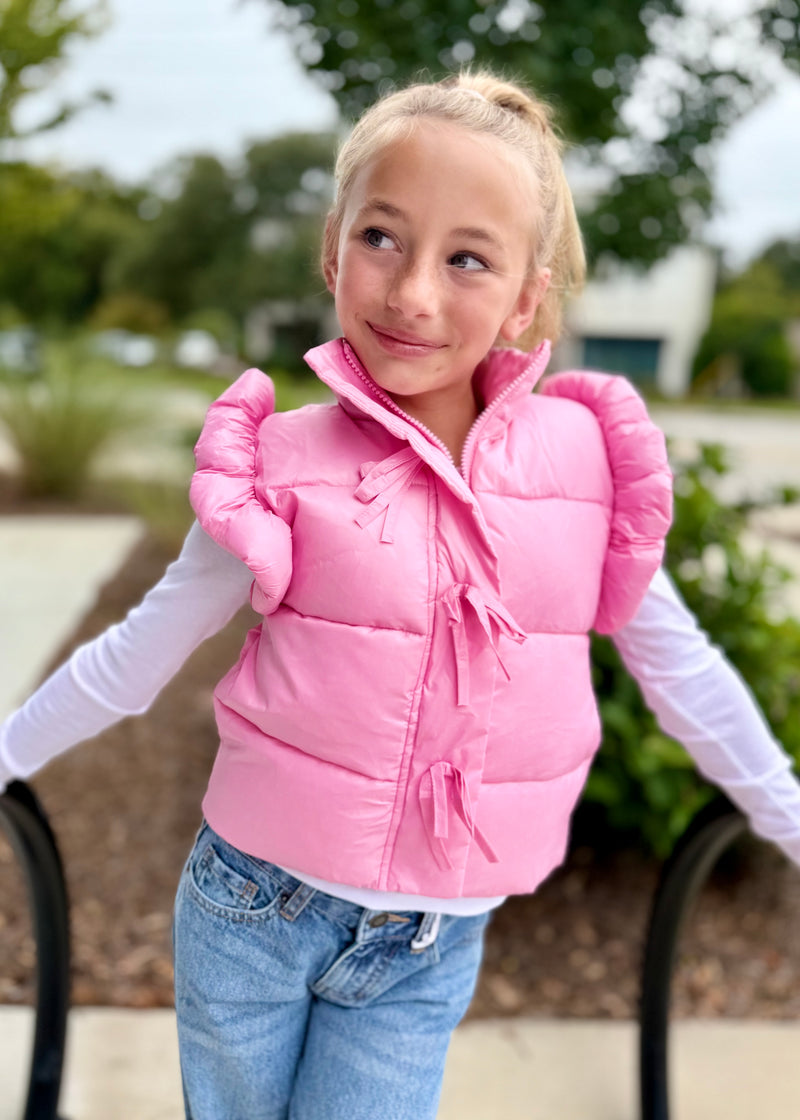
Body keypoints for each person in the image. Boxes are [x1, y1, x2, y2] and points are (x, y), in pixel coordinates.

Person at [2, 69, 800, 1120]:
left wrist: (784, 814)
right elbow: (142, 649)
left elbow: (677, 665)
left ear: (525, 294)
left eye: (465, 258)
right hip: (252, 910)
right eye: (380, 238)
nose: (411, 292)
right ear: (332, 246)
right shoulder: (274, 466)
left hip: (430, 940)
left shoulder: (586, 468)